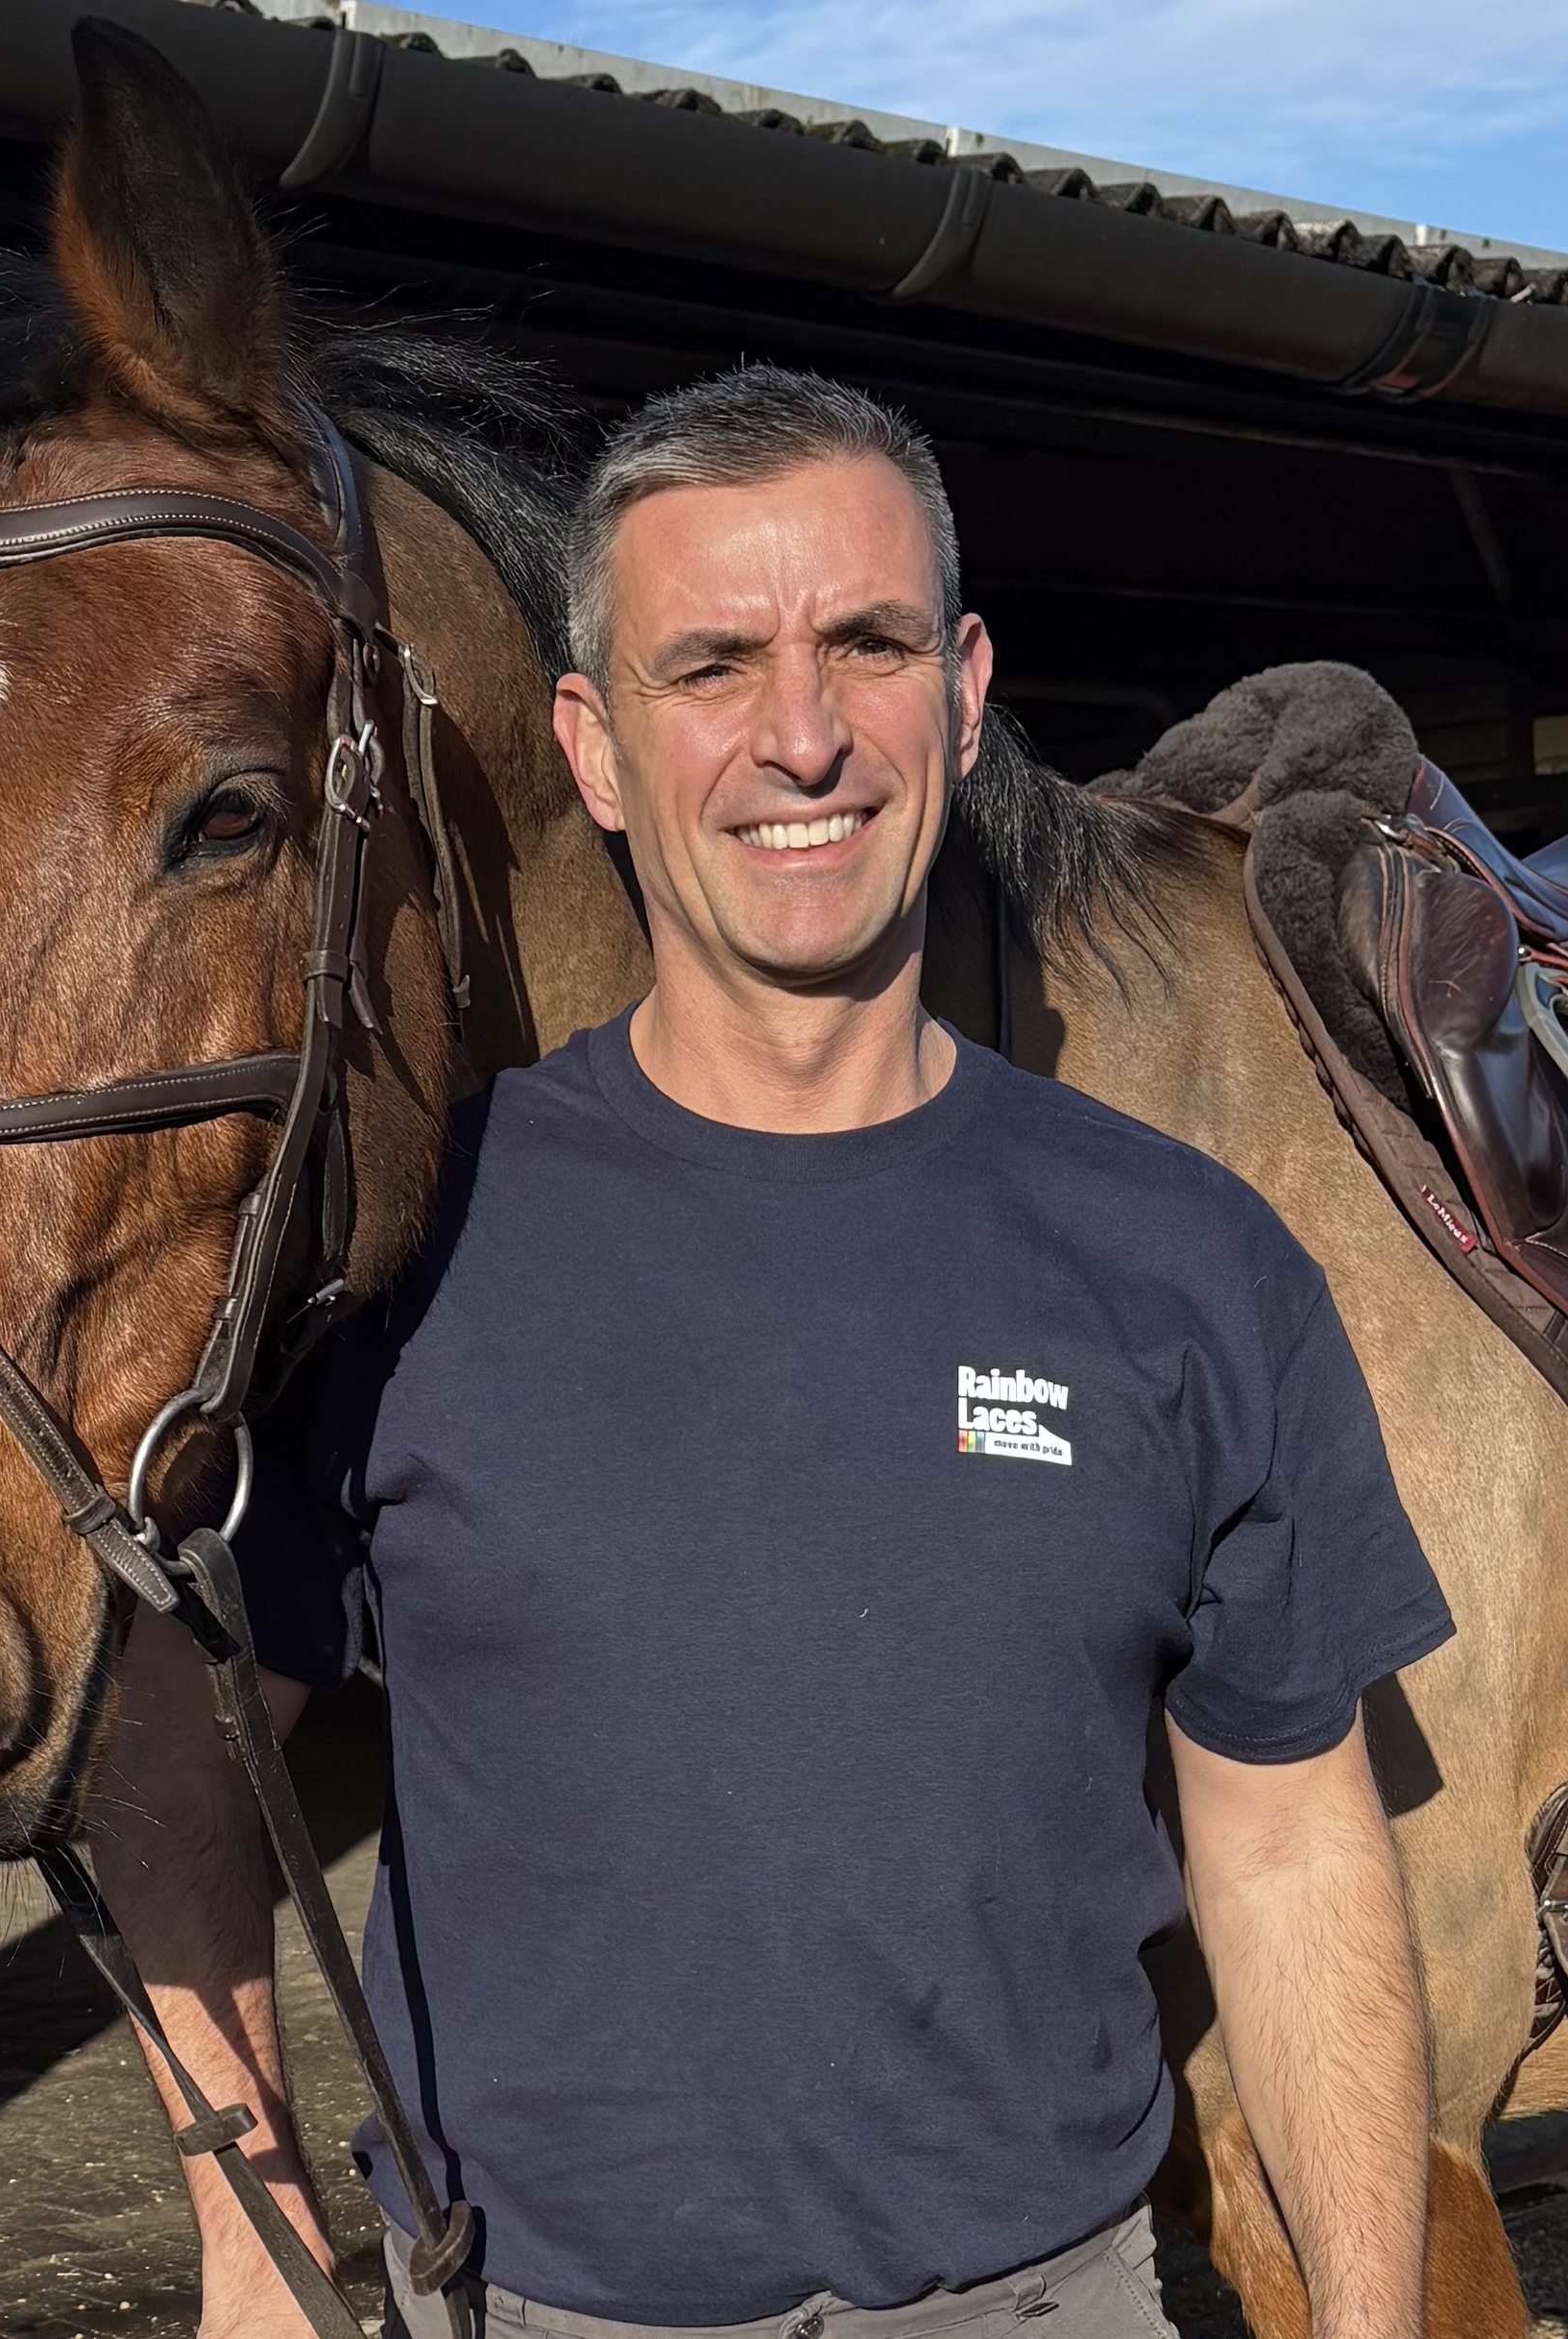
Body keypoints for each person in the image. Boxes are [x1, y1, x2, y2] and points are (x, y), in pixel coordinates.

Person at [84, 366, 1453, 2339]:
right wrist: (249, 2236)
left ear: (965, 697)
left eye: (869, 645)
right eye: (711, 662)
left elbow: (1295, 1835)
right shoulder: (400, 1256)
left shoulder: (1187, 1263)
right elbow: (173, 1751)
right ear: (598, 746)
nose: (800, 737)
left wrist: (1374, 2320)